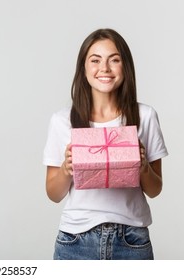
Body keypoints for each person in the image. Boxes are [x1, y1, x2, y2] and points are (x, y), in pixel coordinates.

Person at [43, 28, 168, 260]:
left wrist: (142, 166)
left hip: (131, 239)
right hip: (76, 239)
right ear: (83, 68)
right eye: (95, 60)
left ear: (125, 67)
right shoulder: (62, 120)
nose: (105, 69)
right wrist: (65, 169)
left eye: (114, 60)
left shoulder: (145, 116)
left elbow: (155, 189)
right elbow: (53, 193)